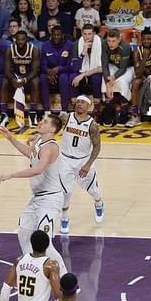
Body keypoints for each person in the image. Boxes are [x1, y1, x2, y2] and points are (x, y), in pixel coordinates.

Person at [0, 114, 66, 272]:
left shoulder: (50, 147)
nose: (41, 122)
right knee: (24, 233)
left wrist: (12, 175)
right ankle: (35, 271)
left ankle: (65, 281)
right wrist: (10, 138)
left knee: (45, 243)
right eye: (42, 120)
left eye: (45, 122)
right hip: (37, 198)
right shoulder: (39, 141)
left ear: (53, 129)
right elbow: (30, 153)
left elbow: (38, 169)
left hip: (50, 199)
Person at [58, 95, 104, 234]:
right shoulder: (65, 118)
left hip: (83, 161)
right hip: (65, 159)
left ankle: (99, 202)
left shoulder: (93, 125)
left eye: (82, 102)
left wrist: (88, 165)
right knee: (66, 191)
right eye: (77, 102)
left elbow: (97, 147)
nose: (79, 104)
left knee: (92, 190)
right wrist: (37, 138)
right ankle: (64, 219)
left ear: (88, 106)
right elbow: (51, 129)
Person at [0, 230, 62, 301]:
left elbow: (6, 288)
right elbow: (58, 295)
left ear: (31, 243)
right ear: (48, 245)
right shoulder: (51, 265)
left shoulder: (20, 260)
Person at [1, 30, 40, 132]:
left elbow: (35, 70)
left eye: (22, 40)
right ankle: (4, 114)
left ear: (26, 39)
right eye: (18, 40)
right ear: (15, 40)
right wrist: (13, 80)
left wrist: (25, 79)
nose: (20, 42)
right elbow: (7, 69)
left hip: (28, 78)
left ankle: (33, 113)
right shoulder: (10, 49)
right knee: (4, 82)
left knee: (36, 82)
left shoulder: (34, 50)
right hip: (15, 77)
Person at [101, 29, 134, 126]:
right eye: (109, 41)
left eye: (113, 41)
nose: (111, 44)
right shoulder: (104, 44)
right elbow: (105, 66)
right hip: (113, 66)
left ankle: (123, 113)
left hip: (128, 68)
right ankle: (109, 110)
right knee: (104, 80)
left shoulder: (125, 46)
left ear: (119, 39)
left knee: (122, 82)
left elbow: (123, 69)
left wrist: (113, 78)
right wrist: (108, 83)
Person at [69, 24, 103, 119]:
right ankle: (74, 108)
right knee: (72, 77)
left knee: (97, 77)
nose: (87, 37)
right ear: (81, 33)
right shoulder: (76, 44)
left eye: (89, 34)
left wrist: (83, 75)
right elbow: (75, 68)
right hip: (82, 72)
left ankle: (96, 109)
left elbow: (102, 68)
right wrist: (83, 53)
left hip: (95, 72)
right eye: (85, 34)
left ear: (94, 34)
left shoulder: (102, 43)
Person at [39, 25, 74, 114]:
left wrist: (58, 69)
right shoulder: (45, 45)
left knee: (63, 78)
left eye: (58, 35)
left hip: (64, 72)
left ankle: (64, 111)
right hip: (49, 71)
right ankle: (46, 111)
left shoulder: (70, 45)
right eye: (54, 35)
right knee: (43, 78)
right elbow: (42, 65)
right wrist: (49, 72)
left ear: (63, 35)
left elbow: (71, 65)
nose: (56, 37)